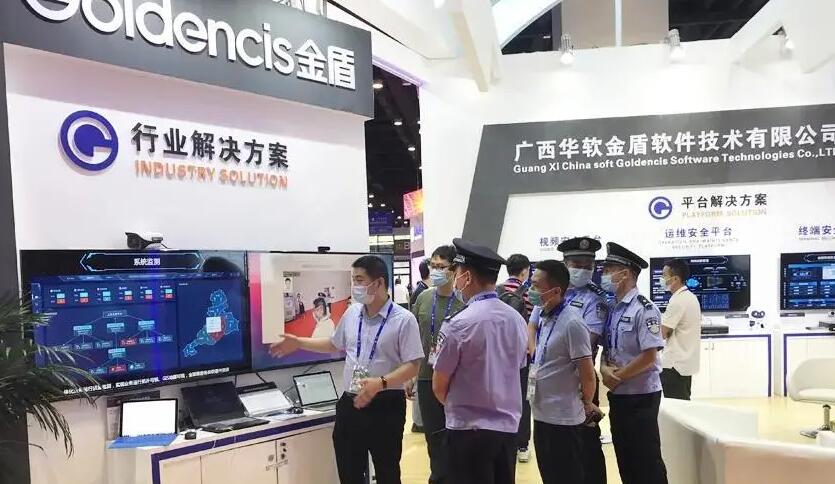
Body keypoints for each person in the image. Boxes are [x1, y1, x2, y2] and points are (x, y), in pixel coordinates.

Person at [271, 255, 424, 484]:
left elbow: (413, 365)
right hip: (351, 403)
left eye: (359, 280)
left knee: (387, 472)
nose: (354, 286)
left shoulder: (404, 320)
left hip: (386, 405)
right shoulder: (352, 313)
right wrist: (299, 342)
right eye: (353, 280)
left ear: (379, 283)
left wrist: (380, 383)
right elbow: (334, 343)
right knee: (349, 471)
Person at [432, 238, 528, 484]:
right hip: (506, 431)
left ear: (466, 276)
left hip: (468, 432)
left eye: (457, 274)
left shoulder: (458, 324)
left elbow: (439, 384)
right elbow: (518, 367)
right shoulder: (516, 319)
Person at [599, 243, 668, 484]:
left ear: (625, 273)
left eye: (609, 269)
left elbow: (650, 356)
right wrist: (604, 369)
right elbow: (608, 347)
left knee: (646, 462)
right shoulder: (612, 308)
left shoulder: (645, 309)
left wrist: (617, 377)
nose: (604, 274)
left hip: (641, 397)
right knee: (625, 459)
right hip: (619, 396)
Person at [528, 260, 599, 484]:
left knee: (567, 477)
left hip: (564, 420)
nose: (531, 290)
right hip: (541, 414)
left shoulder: (572, 323)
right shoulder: (543, 314)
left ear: (556, 291)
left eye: (536, 285)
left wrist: (587, 403)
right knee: (549, 475)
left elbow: (587, 373)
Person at [406, 245, 465, 484]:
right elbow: (413, 339)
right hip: (425, 376)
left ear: (454, 270)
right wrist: (410, 374)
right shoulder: (423, 297)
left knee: (456, 434)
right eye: (433, 266)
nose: (436, 271)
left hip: (456, 379)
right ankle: (438, 477)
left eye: (442, 266)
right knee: (433, 435)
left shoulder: (463, 301)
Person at [557, 237, 609, 484]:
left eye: (589, 266)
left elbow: (586, 343)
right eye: (577, 264)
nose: (583, 270)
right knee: (561, 444)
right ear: (565, 265)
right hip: (554, 382)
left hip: (581, 380)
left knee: (586, 443)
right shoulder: (553, 293)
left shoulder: (595, 299)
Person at [497, 253, 534, 462]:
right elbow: (532, 324)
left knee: (501, 396)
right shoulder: (528, 294)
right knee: (523, 399)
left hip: (498, 354)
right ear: (524, 271)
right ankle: (523, 445)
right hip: (521, 355)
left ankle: (505, 438)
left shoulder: (496, 291)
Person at [660, 258, 702, 400]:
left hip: (674, 366)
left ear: (675, 279)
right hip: (685, 365)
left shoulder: (677, 301)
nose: (662, 279)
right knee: (683, 404)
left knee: (675, 408)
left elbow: (663, 333)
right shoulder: (690, 297)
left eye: (664, 275)